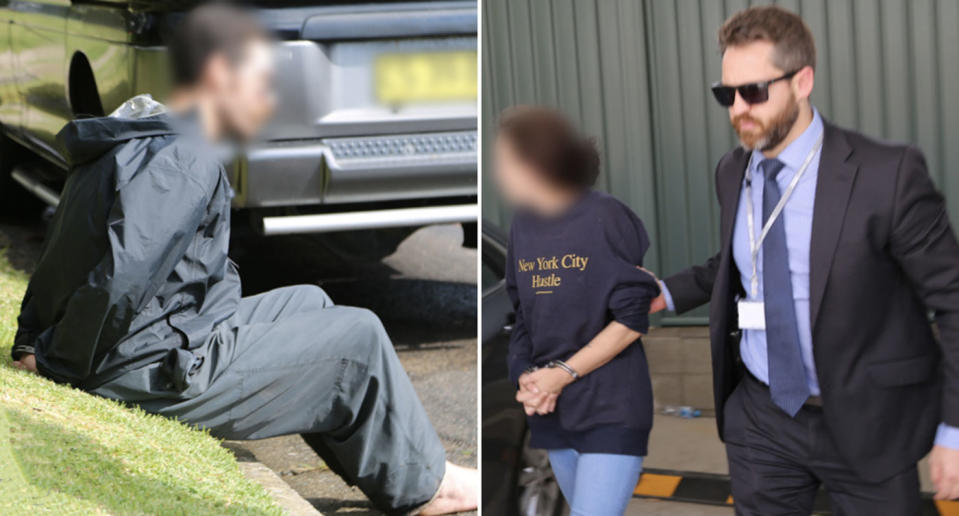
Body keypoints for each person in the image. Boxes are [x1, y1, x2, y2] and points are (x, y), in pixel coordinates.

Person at [8, 5, 476, 515]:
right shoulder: (185, 158)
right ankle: (431, 489)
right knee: (357, 338)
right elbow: (121, 276)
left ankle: (404, 465)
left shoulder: (140, 133)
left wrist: (32, 335)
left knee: (312, 303)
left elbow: (63, 255)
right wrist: (55, 361)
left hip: (155, 336)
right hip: (145, 366)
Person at [646, 5, 959, 514]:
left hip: (867, 419)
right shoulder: (732, 171)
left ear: (803, 80)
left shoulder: (887, 174)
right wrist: (663, 292)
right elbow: (740, 260)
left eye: (754, 91)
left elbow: (953, 298)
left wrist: (955, 429)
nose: (738, 109)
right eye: (726, 94)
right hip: (762, 416)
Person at [495, 106, 661, 516]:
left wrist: (562, 374)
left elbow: (631, 319)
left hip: (610, 408)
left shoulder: (605, 216)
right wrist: (527, 379)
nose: (498, 173)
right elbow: (523, 318)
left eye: (504, 161)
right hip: (554, 413)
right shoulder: (522, 225)